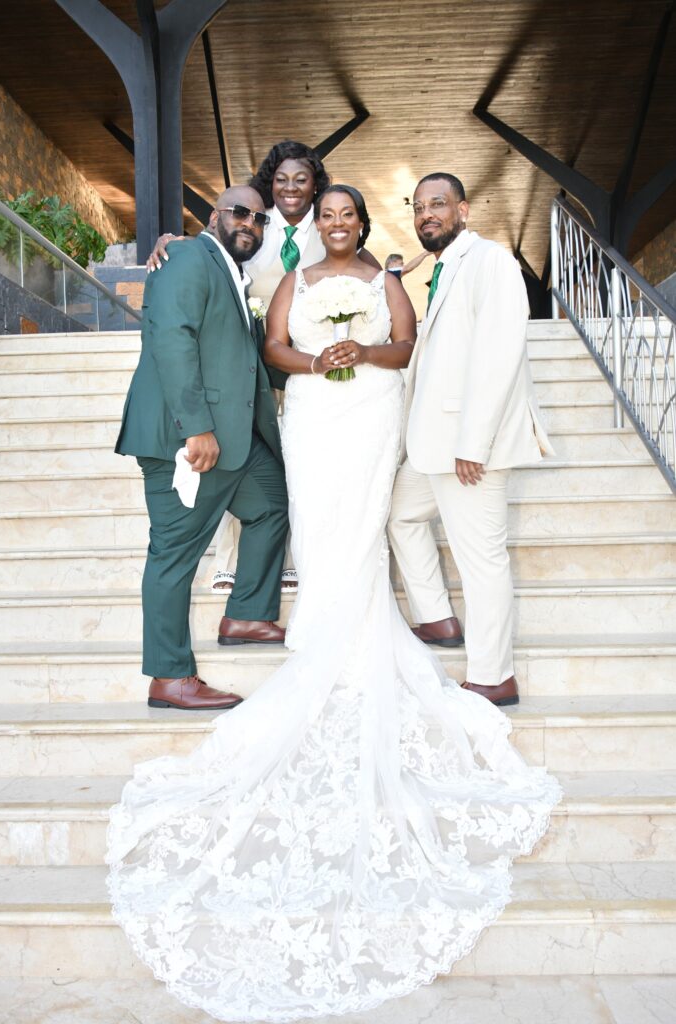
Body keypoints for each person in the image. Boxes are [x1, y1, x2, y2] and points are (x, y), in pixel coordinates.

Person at [107, 183, 560, 1021]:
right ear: (311, 225)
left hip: (376, 413)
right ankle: (299, 629)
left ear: (366, 223)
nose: (339, 224)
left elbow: (408, 345)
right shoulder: (285, 276)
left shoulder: (405, 276)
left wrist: (361, 356)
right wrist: (318, 360)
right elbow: (271, 344)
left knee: (363, 521)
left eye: (350, 215)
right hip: (313, 414)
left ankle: (375, 630)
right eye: (327, 216)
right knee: (315, 519)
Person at [147, 140, 381, 598]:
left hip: (308, 372)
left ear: (317, 186)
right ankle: (229, 564)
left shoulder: (330, 228)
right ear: (268, 185)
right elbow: (208, 253)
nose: (291, 188)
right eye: (281, 180)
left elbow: (372, 279)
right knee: (242, 460)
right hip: (247, 368)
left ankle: (294, 558)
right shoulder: (254, 225)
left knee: (291, 468)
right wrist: (169, 242)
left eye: (302, 180)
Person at [115, 185, 289, 710]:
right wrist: (195, 427)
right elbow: (171, 336)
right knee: (173, 553)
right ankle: (169, 677)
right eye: (240, 213)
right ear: (215, 215)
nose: (249, 224)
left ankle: (246, 615)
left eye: (259, 219)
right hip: (186, 438)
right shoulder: (188, 254)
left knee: (272, 506)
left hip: (234, 438)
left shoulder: (234, 273)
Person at [388, 172, 555, 707]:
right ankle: (437, 618)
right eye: (418, 208)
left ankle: (492, 675)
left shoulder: (492, 262)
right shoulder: (444, 267)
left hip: (466, 448)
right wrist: (392, 274)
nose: (426, 215)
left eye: (437, 204)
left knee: (482, 561)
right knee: (398, 514)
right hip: (431, 443)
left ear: (463, 210)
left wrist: (473, 444)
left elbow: (499, 355)